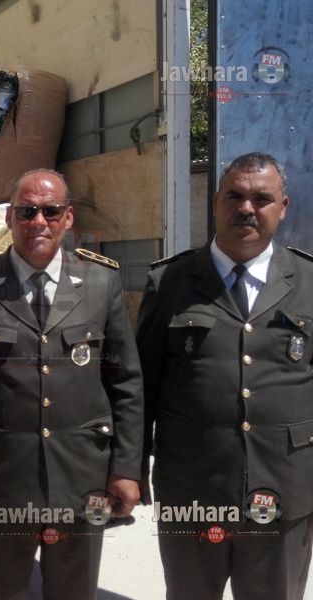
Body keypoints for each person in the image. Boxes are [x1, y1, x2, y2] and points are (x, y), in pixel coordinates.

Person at [0, 168, 143, 600]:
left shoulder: (100, 282)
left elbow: (125, 383)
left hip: (81, 476)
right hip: (3, 479)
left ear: (68, 218)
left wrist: (126, 468)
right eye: (27, 211)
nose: (39, 222)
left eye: (51, 211)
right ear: (9, 217)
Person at [136, 152, 313, 600]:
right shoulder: (171, 281)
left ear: (283, 207)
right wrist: (129, 470)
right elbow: (141, 389)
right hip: (192, 489)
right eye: (234, 196)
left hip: (285, 488)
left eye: (262, 198)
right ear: (215, 202)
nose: (246, 208)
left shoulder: (309, 281)